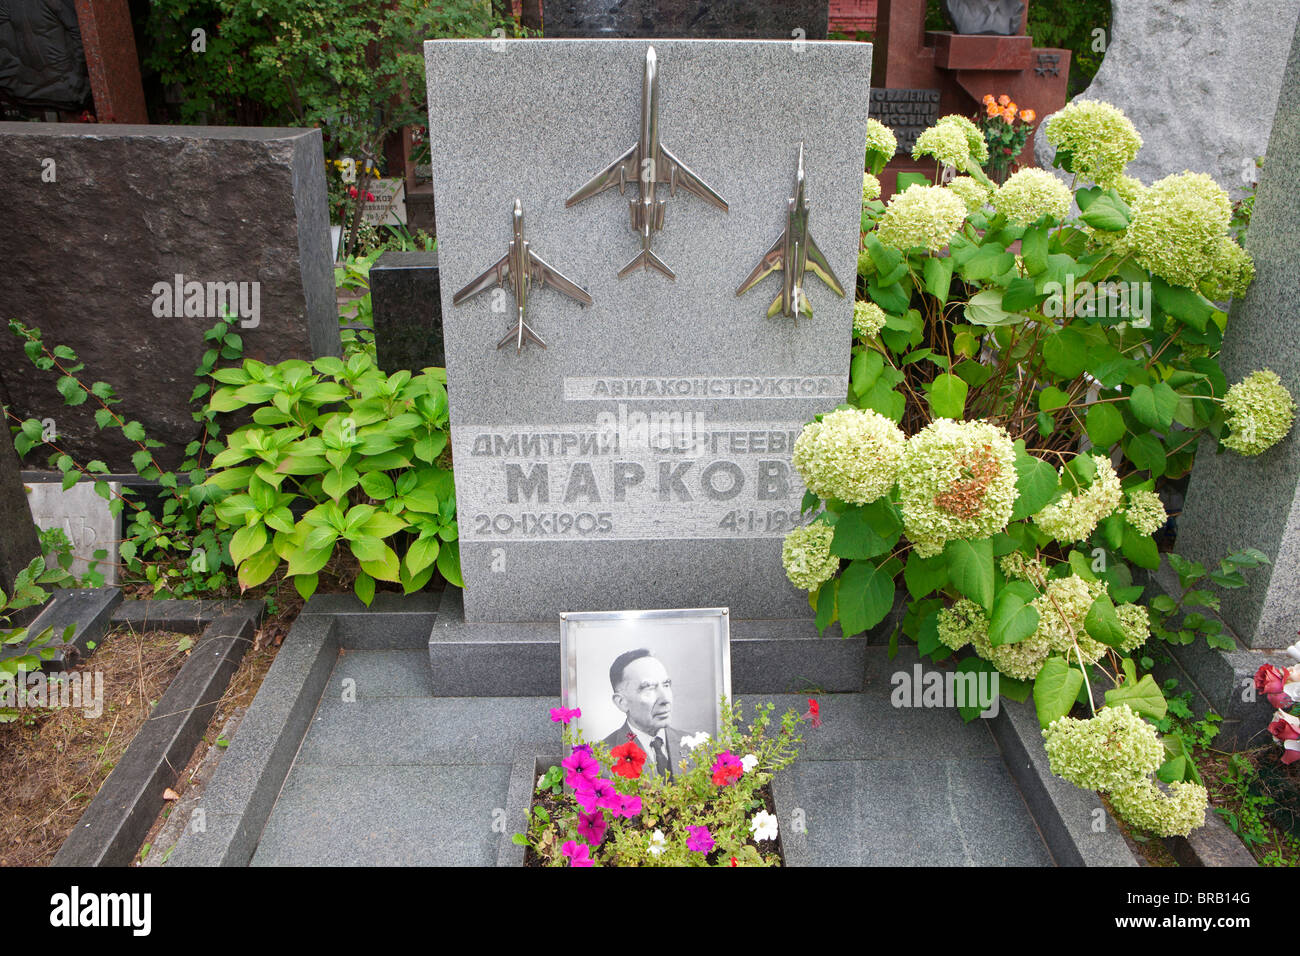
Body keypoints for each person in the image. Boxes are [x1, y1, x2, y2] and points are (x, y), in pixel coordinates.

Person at [600, 648, 692, 781]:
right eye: (649, 688)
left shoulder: (698, 747)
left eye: (666, 685)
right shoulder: (600, 761)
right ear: (622, 702)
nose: (665, 699)